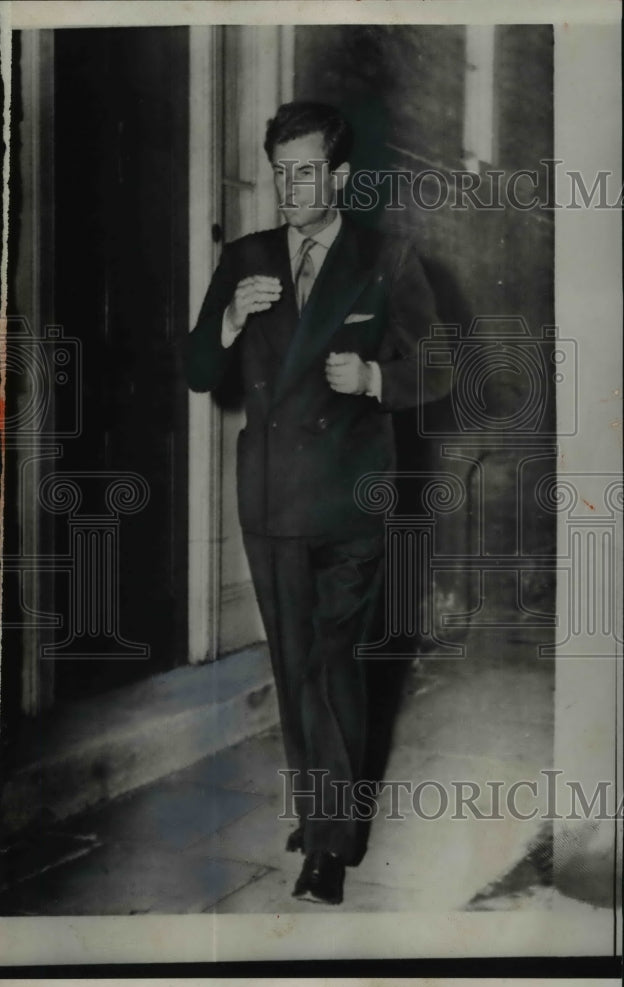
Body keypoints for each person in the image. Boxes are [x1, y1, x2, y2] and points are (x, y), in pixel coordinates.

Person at [185, 101, 448, 905]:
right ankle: (319, 811)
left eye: (305, 173)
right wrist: (232, 318)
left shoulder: (385, 258)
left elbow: (441, 367)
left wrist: (374, 379)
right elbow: (197, 369)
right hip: (270, 498)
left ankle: (330, 843)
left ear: (340, 177)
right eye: (280, 173)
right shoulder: (247, 258)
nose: (290, 189)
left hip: (349, 497)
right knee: (293, 661)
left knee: (335, 667)